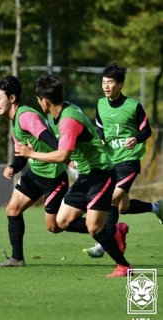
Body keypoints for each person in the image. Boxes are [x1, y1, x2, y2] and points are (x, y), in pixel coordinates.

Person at [15, 73, 132, 277]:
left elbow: (62, 155)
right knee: (61, 222)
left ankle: (124, 266)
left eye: (38, 99)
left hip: (101, 174)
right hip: (86, 176)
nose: (38, 103)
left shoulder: (68, 119)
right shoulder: (59, 112)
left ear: (45, 101)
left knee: (94, 227)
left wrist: (31, 153)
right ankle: (113, 230)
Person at [0, 76, 91, 268]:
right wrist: (13, 167)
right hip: (36, 172)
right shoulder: (14, 122)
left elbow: (49, 138)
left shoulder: (26, 116)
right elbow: (23, 154)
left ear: (11, 98)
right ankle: (17, 258)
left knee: (54, 226)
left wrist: (68, 158)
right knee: (12, 209)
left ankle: (104, 226)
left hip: (53, 176)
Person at [83, 63, 162, 258]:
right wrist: (100, 137)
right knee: (122, 207)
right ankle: (157, 208)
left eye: (110, 82)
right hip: (110, 162)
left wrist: (136, 138)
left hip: (129, 160)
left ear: (121, 84)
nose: (106, 86)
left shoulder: (133, 106)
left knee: (110, 200)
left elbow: (147, 131)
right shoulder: (100, 104)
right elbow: (100, 127)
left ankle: (103, 244)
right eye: (103, 82)